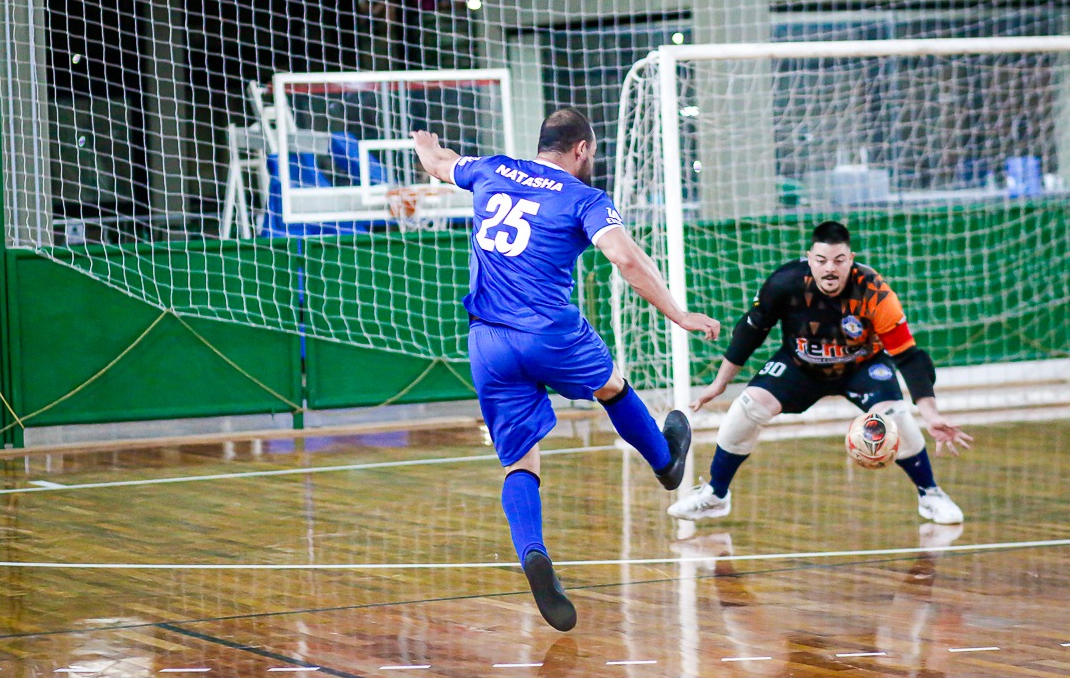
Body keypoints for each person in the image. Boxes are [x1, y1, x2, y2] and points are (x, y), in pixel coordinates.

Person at [412, 107, 720, 631]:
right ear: (580, 149)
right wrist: (678, 312)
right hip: (550, 332)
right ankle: (666, 463)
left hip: (487, 339)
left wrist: (424, 142)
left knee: (520, 463)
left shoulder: (489, 169)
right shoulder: (585, 199)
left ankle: (534, 553)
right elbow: (625, 259)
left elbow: (438, 163)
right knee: (612, 387)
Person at [668, 221, 973, 525]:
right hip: (800, 366)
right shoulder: (786, 282)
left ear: (850, 260)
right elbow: (752, 330)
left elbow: (909, 357)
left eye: (839, 260)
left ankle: (930, 494)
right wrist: (720, 383)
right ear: (809, 258)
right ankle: (715, 495)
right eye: (822, 260)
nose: (830, 268)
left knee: (896, 416)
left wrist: (931, 415)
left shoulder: (874, 292)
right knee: (746, 409)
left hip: (862, 366)